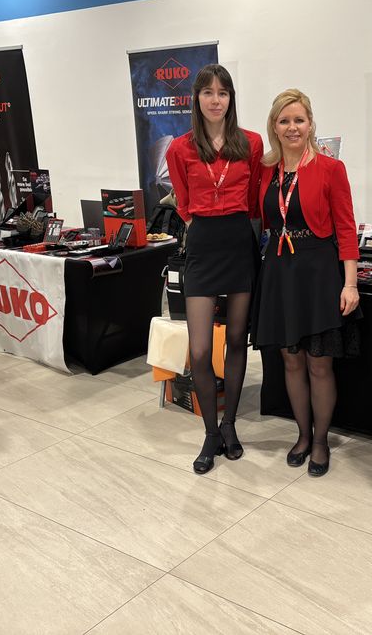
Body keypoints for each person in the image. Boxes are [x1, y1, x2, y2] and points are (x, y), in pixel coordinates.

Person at [251, 89, 360, 477]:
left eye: (299, 119)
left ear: (311, 124)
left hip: (318, 272)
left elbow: (346, 229)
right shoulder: (267, 169)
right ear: (274, 127)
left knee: (318, 364)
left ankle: (320, 441)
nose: (292, 127)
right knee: (290, 360)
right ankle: (301, 434)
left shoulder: (331, 168)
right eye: (284, 121)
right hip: (279, 272)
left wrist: (350, 284)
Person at [165, 64, 264, 474]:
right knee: (202, 349)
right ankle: (209, 432)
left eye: (223, 93)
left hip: (239, 241)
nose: (216, 100)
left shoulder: (251, 143)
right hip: (203, 245)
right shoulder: (179, 149)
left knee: (237, 340)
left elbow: (255, 198)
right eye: (208, 92)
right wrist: (201, 224)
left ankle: (229, 425)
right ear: (197, 98)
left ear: (231, 99)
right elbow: (183, 202)